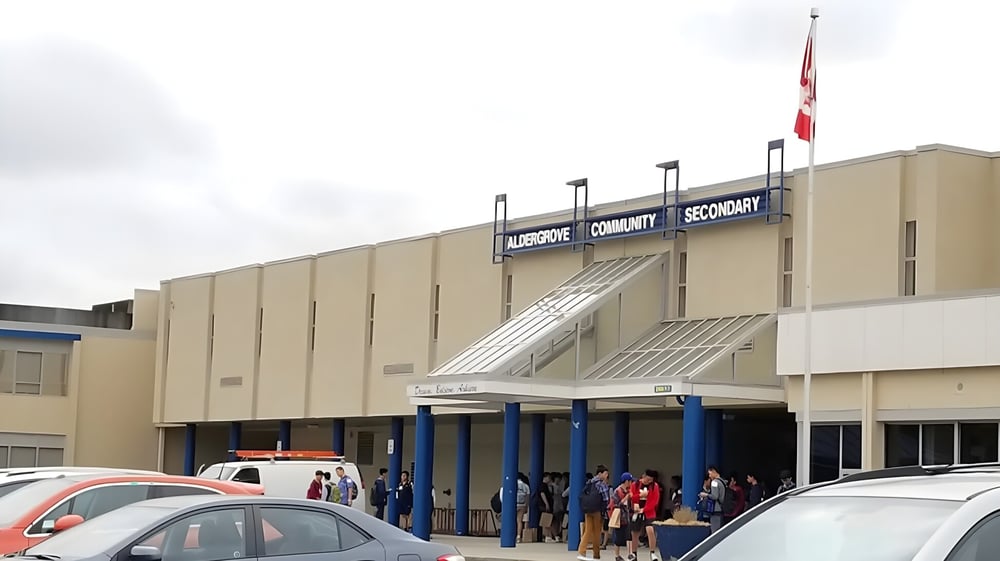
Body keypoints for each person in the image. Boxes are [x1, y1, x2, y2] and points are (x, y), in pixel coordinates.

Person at [577, 465, 611, 561]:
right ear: (600, 474)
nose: (607, 475)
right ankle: (596, 554)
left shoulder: (590, 482)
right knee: (597, 532)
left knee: (587, 531)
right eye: (605, 473)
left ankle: (582, 551)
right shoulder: (602, 484)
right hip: (597, 510)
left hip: (588, 509)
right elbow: (606, 499)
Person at [629, 469, 661, 561]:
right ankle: (634, 553)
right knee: (635, 533)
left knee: (650, 530)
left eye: (651, 480)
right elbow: (632, 497)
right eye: (648, 479)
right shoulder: (635, 484)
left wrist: (644, 509)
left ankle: (652, 553)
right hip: (637, 510)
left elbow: (655, 501)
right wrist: (639, 497)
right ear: (644, 476)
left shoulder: (654, 486)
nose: (649, 481)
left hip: (649, 511)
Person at [609, 472, 634, 561]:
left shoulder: (628, 491)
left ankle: (630, 553)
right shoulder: (617, 491)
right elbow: (616, 504)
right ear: (626, 481)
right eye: (630, 481)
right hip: (619, 517)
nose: (631, 483)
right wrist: (626, 498)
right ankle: (617, 555)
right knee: (619, 538)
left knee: (629, 536)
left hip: (626, 516)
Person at [698, 466, 726, 533]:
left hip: (715, 509)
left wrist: (706, 495)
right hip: (721, 508)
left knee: (715, 531)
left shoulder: (714, 482)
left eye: (710, 474)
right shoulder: (723, 481)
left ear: (714, 471)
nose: (709, 476)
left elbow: (715, 496)